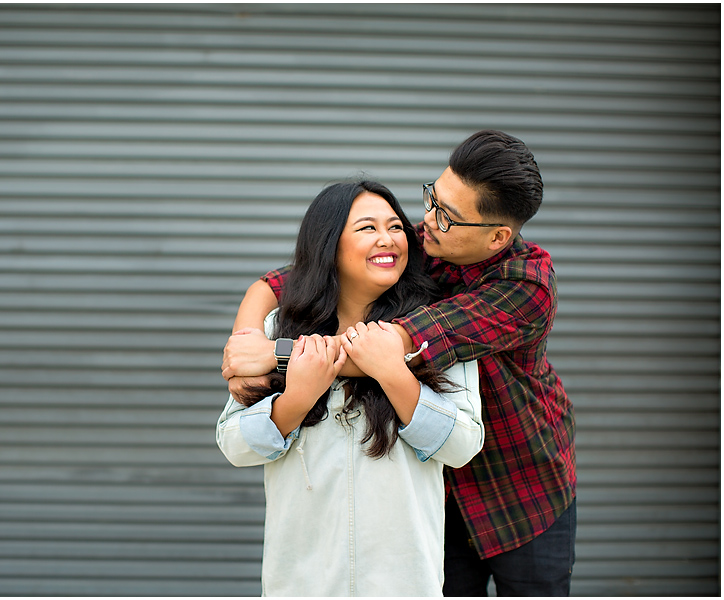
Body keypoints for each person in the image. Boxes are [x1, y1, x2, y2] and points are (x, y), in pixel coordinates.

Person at [221, 130, 576, 596]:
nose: (426, 221)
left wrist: (276, 356)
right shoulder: (422, 241)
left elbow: (395, 346)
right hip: (434, 494)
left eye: (447, 216)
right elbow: (308, 270)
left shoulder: (527, 286)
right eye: (433, 198)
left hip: (518, 490)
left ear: (497, 237)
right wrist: (245, 339)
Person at [216, 180, 484, 596]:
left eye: (396, 227)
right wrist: (297, 399)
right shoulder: (278, 330)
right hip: (301, 583)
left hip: (404, 584)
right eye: (366, 228)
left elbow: (463, 444)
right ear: (329, 246)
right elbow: (234, 444)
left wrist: (393, 375)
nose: (388, 239)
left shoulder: (433, 330)